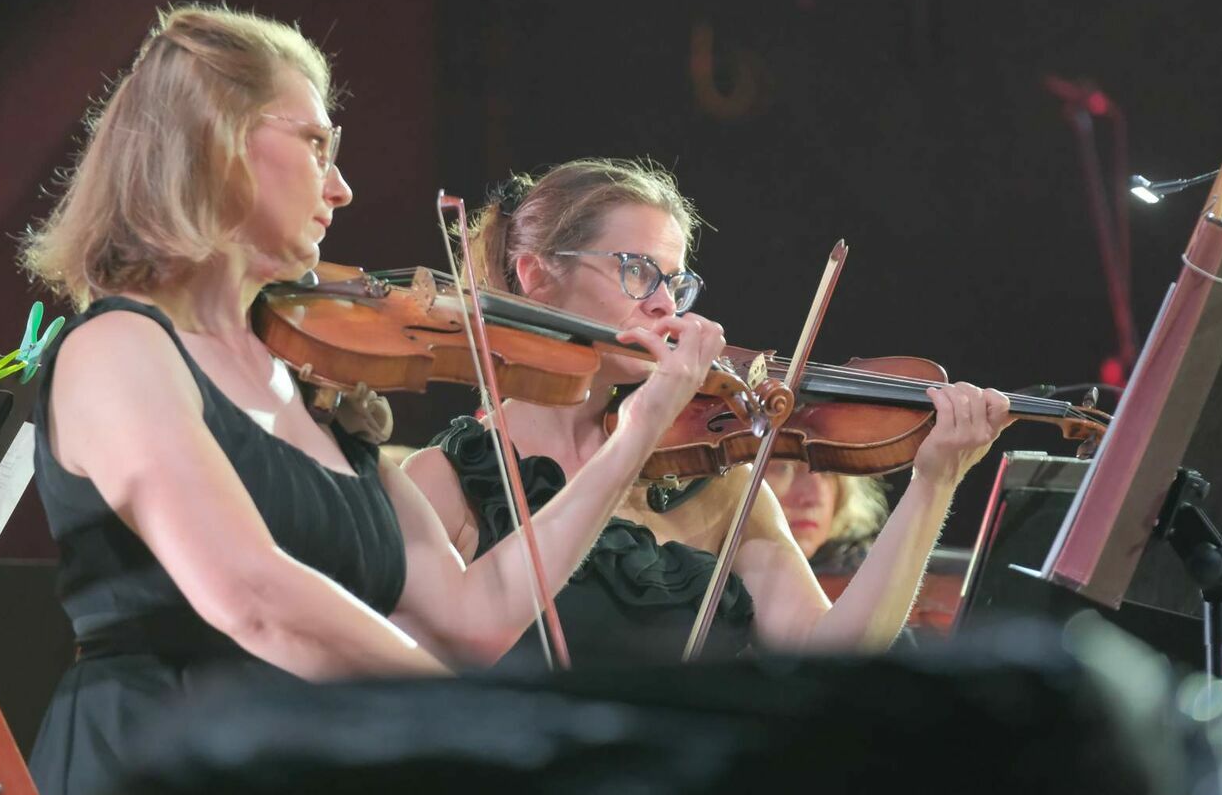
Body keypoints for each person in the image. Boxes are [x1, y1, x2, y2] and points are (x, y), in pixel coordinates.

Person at [17, 5, 725, 795]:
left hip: (296, 774)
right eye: (317, 144)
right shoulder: (118, 348)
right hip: (156, 775)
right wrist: (483, 722)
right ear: (214, 138)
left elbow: (478, 617)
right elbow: (251, 596)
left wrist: (632, 436)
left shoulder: (317, 390)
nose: (342, 186)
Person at [405, 159, 1012, 669]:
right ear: (537, 275)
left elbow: (831, 656)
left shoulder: (714, 482)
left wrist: (935, 482)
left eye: (675, 282)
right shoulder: (445, 482)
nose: (664, 304)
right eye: (636, 272)